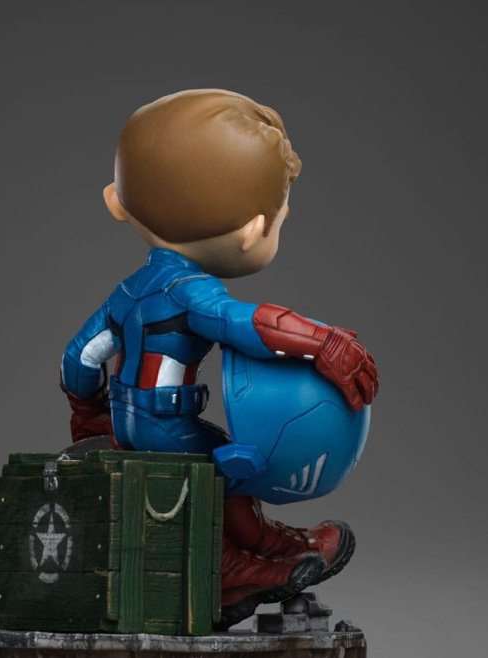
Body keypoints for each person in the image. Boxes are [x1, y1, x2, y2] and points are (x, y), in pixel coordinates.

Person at [60, 89, 379, 627]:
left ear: (117, 201)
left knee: (219, 459)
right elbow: (246, 324)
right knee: (226, 468)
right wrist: (323, 343)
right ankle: (234, 567)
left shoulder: (127, 293)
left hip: (130, 423)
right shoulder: (190, 291)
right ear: (254, 229)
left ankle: (257, 549)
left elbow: (79, 359)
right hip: (165, 426)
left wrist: (91, 417)